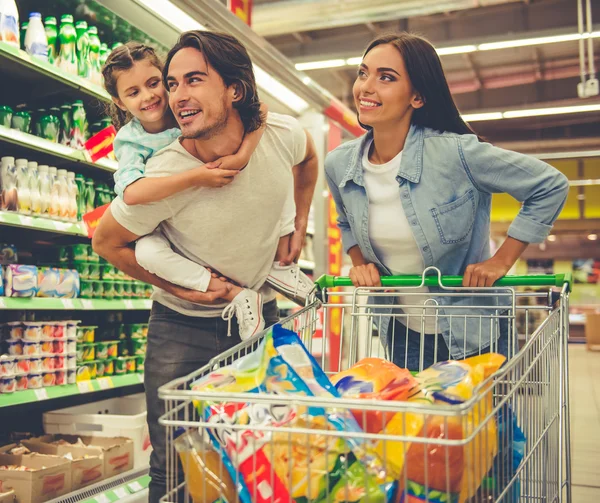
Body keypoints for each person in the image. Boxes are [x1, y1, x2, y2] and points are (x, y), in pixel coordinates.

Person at [92, 30, 319, 502]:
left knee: (266, 455)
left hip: (259, 315)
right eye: (172, 84)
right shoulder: (161, 172)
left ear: (234, 89)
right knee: (171, 467)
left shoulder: (274, 136)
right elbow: (107, 242)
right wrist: (184, 291)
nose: (173, 96)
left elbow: (308, 155)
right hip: (181, 327)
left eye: (191, 80)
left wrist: (297, 222)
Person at [325, 33, 569, 371]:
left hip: (473, 331)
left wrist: (500, 261)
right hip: (402, 331)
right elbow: (346, 220)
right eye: (363, 72)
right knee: (417, 423)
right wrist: (360, 262)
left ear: (418, 96)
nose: (366, 86)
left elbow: (550, 185)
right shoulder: (339, 163)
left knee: (483, 424)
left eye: (386, 77)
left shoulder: (456, 153)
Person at [100, 42, 313, 339]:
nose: (150, 96)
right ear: (120, 102)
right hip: (155, 225)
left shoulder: (184, 112)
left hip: (265, 299)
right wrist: (196, 177)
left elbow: (261, 110)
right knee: (149, 253)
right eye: (133, 93)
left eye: (156, 84)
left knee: (278, 176)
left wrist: (242, 156)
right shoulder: (133, 142)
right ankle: (230, 292)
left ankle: (278, 266)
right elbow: (132, 195)